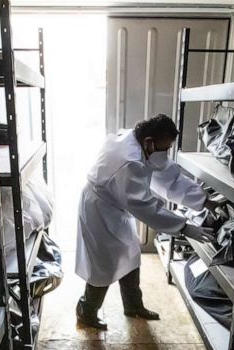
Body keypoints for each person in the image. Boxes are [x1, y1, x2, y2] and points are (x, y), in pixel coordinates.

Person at [75, 114, 215, 330]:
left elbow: (169, 177)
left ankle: (133, 306)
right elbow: (146, 208)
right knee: (102, 264)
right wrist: (184, 227)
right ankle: (86, 311)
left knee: (131, 255)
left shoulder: (137, 142)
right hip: (99, 211)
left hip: (114, 206)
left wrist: (204, 200)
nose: (165, 154)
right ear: (149, 142)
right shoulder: (130, 162)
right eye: (164, 149)